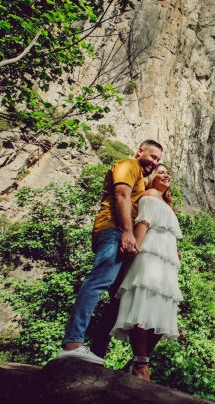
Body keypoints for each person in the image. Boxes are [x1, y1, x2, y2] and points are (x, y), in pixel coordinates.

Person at [54, 140, 163, 365]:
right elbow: (121, 196)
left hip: (123, 235)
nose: (155, 163)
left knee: (118, 296)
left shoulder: (142, 180)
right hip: (113, 230)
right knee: (98, 282)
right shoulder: (128, 165)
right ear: (140, 151)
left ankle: (96, 353)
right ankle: (72, 343)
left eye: (158, 160)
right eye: (152, 157)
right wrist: (126, 231)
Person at [110, 163, 182, 381]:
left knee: (161, 308)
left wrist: (174, 250)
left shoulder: (167, 204)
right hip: (149, 255)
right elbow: (143, 223)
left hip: (165, 261)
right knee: (143, 304)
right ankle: (141, 363)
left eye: (167, 172)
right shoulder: (149, 195)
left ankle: (139, 361)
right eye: (160, 172)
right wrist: (134, 248)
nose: (165, 174)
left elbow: (165, 230)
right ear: (150, 179)